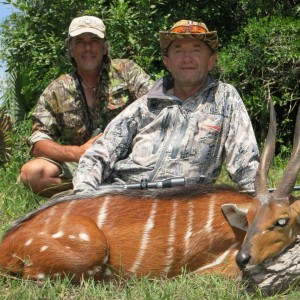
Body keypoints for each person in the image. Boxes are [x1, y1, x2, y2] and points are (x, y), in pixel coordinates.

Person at [72, 19, 259, 194]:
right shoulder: (145, 104)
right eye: (178, 50)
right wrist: (84, 195)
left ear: (211, 61)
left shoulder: (225, 98)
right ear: (167, 62)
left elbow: (246, 164)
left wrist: (257, 197)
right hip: (122, 196)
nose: (187, 58)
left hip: (183, 205)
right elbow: (99, 153)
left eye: (196, 50)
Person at [19, 16, 153, 197]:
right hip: (82, 164)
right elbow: (38, 142)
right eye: (80, 42)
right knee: (31, 173)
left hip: (129, 159)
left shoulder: (127, 71)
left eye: (94, 41)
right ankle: (88, 195)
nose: (88, 48)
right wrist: (77, 152)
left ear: (105, 47)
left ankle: (102, 192)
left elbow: (157, 106)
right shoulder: (57, 89)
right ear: (71, 48)